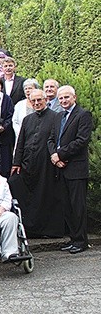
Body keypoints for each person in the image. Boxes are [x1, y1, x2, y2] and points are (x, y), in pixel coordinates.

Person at [10, 89, 63, 237]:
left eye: (39, 100)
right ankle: (28, 227)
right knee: (17, 186)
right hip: (27, 164)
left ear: (45, 99)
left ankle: (46, 230)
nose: (36, 103)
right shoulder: (28, 119)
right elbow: (20, 142)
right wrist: (16, 163)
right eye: (33, 101)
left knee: (44, 195)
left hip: (46, 165)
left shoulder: (55, 117)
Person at [47, 85, 93, 254]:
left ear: (74, 97)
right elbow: (51, 139)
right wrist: (54, 155)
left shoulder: (83, 115)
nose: (64, 100)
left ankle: (81, 241)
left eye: (67, 97)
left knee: (77, 206)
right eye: (61, 98)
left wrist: (60, 154)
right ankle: (73, 239)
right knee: (66, 206)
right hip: (60, 168)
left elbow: (81, 141)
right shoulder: (59, 116)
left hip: (76, 168)